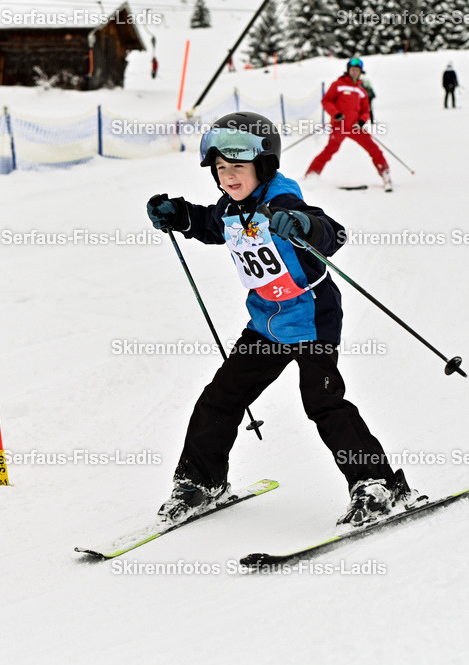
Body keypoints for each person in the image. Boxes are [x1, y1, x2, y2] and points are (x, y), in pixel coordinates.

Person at [145, 112, 425, 527]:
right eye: (220, 168)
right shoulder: (231, 207)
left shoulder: (283, 202)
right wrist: (179, 214)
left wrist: (303, 225)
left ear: (264, 165)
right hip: (267, 324)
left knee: (323, 402)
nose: (228, 176)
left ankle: (377, 484)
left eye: (237, 166)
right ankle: (201, 482)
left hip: (311, 318)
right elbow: (210, 225)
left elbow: (334, 233)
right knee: (220, 397)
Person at [305, 58, 392, 191]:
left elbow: (366, 110)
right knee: (330, 150)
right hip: (339, 125)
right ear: (348, 70)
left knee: (373, 148)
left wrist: (362, 120)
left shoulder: (362, 91)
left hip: (355, 126)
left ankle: (385, 174)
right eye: (353, 69)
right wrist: (336, 113)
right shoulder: (338, 85)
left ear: (360, 72)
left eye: (357, 70)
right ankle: (311, 176)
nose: (355, 72)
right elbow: (326, 101)